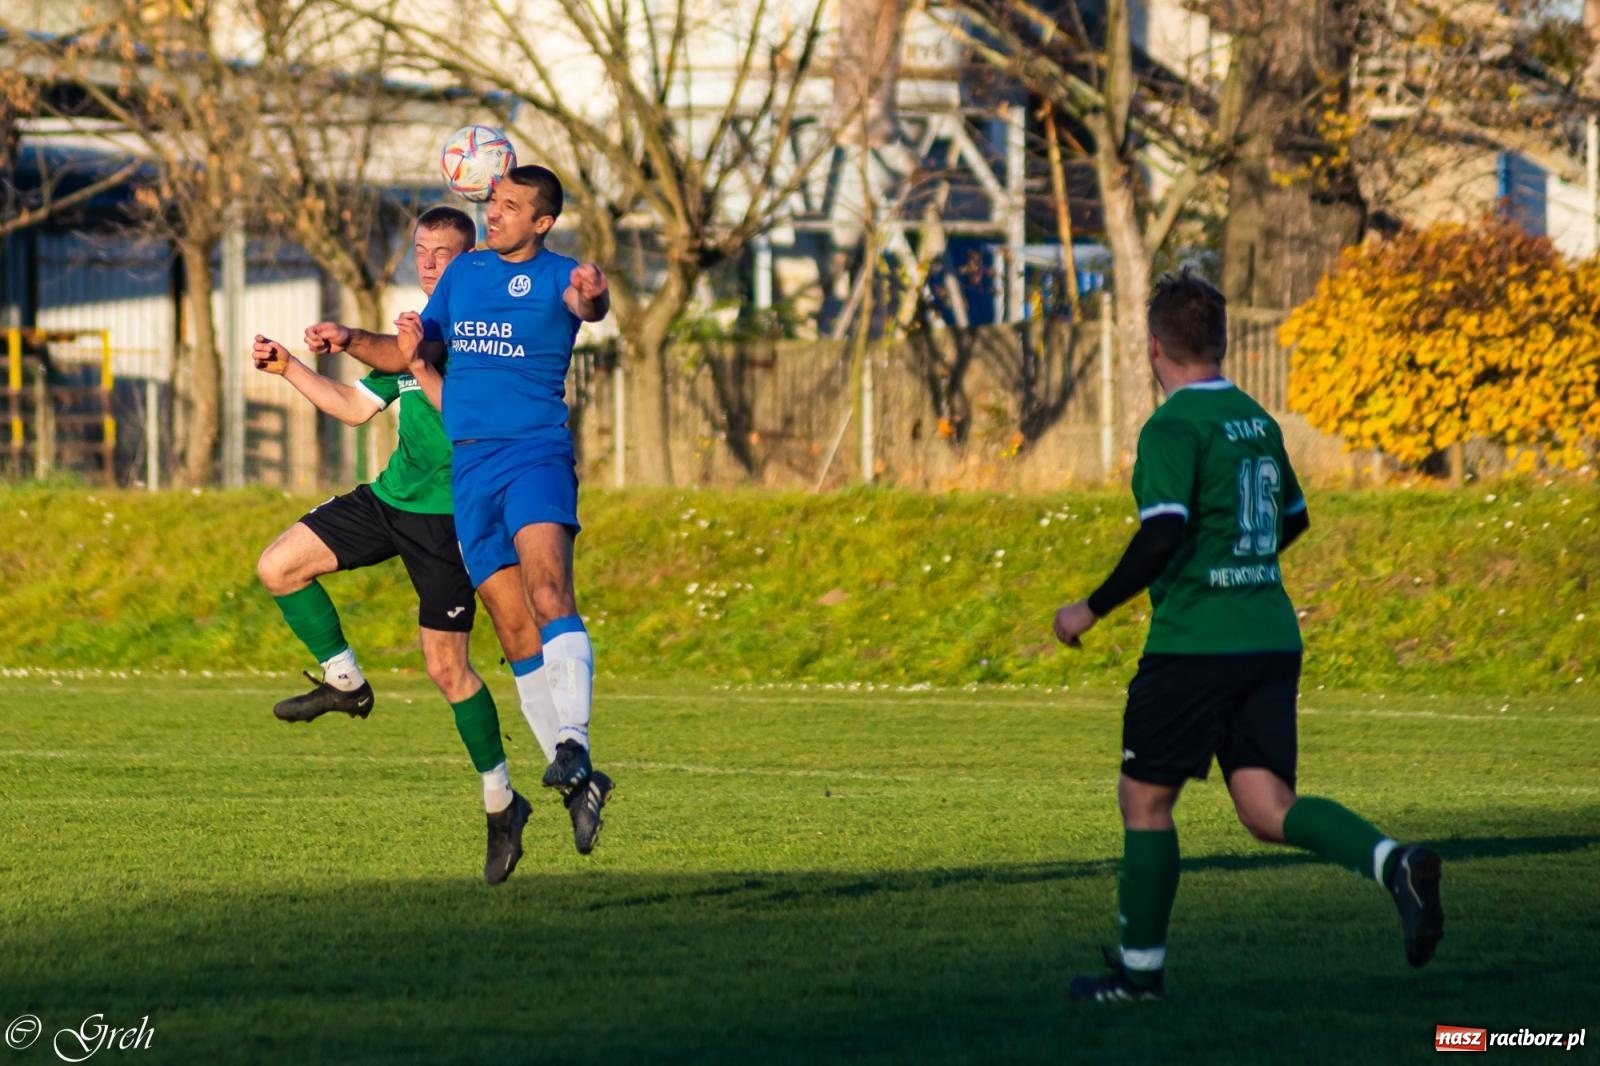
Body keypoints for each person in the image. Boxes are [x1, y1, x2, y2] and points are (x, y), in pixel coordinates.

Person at [1051, 268, 1443, 1002]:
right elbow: (1292, 517)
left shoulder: (1171, 427)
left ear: (1153, 347)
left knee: (1144, 802)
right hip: (1268, 635)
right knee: (1267, 808)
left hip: (1196, 645)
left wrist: (1089, 608)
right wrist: (1241, 564)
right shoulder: (1255, 419)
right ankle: (1394, 863)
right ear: (1221, 342)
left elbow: (1163, 533)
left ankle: (1138, 980)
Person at [302, 165, 614, 856]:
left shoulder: (559, 276)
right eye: (494, 201)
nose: (494, 213)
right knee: (513, 632)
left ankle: (574, 739)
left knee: (547, 591)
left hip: (533, 456)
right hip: (472, 471)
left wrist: (595, 294)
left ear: (542, 222)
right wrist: (348, 338)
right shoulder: (466, 274)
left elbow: (587, 305)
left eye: (511, 206)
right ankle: (578, 782)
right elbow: (411, 352)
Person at [253, 205, 564, 883]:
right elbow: (354, 408)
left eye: (442, 252)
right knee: (278, 566)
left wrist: (416, 356)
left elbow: (467, 417)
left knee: (448, 670)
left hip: (452, 522)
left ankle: (502, 803)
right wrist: (289, 369)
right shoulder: (417, 332)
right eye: (420, 250)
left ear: (472, 257)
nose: (427, 263)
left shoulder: (481, 339)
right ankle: (345, 681)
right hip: (390, 501)